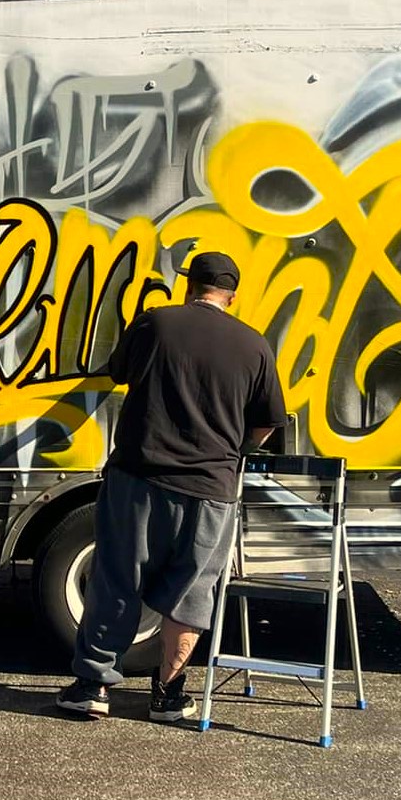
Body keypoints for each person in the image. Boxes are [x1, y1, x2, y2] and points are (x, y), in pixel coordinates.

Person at [56, 250, 287, 721]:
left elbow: (116, 373)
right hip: (211, 486)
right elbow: (266, 425)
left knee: (118, 577)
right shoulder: (254, 345)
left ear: (190, 286)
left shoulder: (155, 323)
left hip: (139, 476)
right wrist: (230, 449)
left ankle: (93, 687)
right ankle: (167, 692)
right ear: (232, 296)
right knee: (191, 589)